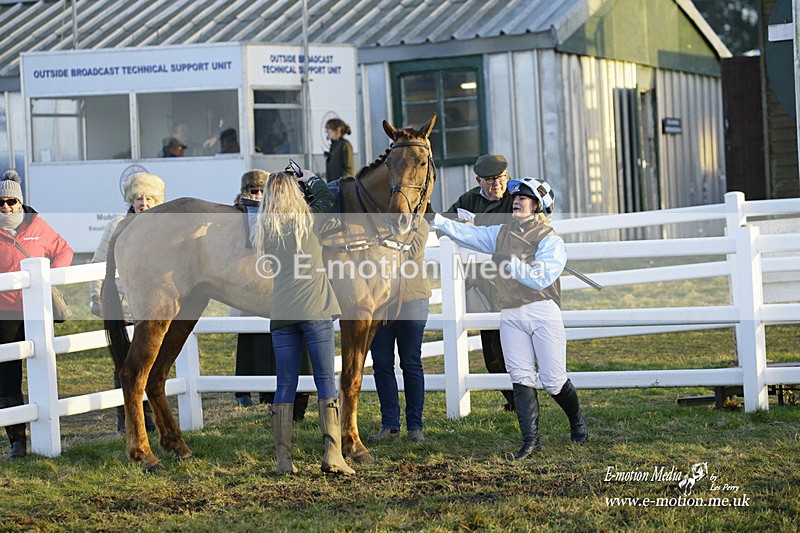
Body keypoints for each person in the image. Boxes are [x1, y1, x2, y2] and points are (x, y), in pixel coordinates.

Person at [431, 176, 587, 459]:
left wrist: (509, 262)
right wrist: (438, 220)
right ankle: (530, 441)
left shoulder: (551, 242)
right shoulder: (501, 233)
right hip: (511, 313)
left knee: (553, 380)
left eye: (523, 197)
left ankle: (577, 421)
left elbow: (539, 279)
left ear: (538, 206)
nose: (515, 199)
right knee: (521, 377)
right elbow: (469, 235)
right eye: (515, 196)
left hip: (542, 312)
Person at [254, 169, 354, 475]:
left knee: (285, 384)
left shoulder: (265, 230)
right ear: (295, 194)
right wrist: (311, 179)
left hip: (282, 313)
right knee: (325, 380)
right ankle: (333, 455)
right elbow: (327, 198)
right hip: (315, 309)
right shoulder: (310, 220)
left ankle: (284, 459)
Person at [0, 170, 73, 459]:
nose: (5, 207)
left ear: (20, 202)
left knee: (43, 366)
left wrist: (49, 279)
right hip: (5, 312)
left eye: (10, 202)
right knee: (7, 376)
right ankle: (17, 441)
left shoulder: (38, 225)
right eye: (0, 202)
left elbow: (63, 249)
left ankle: (48, 433)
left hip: (36, 308)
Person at [230, 169, 311, 419]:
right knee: (253, 345)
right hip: (249, 291)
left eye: (262, 191)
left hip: (282, 289)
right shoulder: (236, 217)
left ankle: (297, 396)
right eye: (252, 191)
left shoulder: (285, 217)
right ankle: (251, 391)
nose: (257, 195)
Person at [89, 172, 165, 433]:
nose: (143, 203)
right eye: (138, 198)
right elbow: (99, 262)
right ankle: (127, 418)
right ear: (131, 200)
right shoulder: (118, 225)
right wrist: (96, 296)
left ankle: (150, 415)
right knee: (124, 361)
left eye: (149, 198)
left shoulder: (164, 228)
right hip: (124, 303)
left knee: (150, 359)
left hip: (153, 305)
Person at [446, 154, 516, 411]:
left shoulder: (518, 197)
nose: (495, 184)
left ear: (507, 176)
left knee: (513, 344)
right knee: (491, 349)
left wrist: (478, 224)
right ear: (478, 181)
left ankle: (523, 396)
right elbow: (448, 223)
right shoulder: (468, 200)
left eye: (499, 178)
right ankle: (513, 400)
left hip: (514, 282)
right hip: (481, 282)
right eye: (488, 180)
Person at [367, 217, 431, 443]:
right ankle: (390, 425)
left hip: (411, 299)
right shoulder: (376, 222)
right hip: (380, 301)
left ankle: (415, 425)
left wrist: (380, 244)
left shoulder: (419, 223)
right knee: (382, 363)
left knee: (411, 362)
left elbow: (409, 252)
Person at [324, 118, 354, 183]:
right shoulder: (333, 146)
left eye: (329, 128)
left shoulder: (345, 145)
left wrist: (342, 185)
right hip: (332, 187)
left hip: (341, 188)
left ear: (338, 130)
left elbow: (349, 170)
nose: (327, 131)